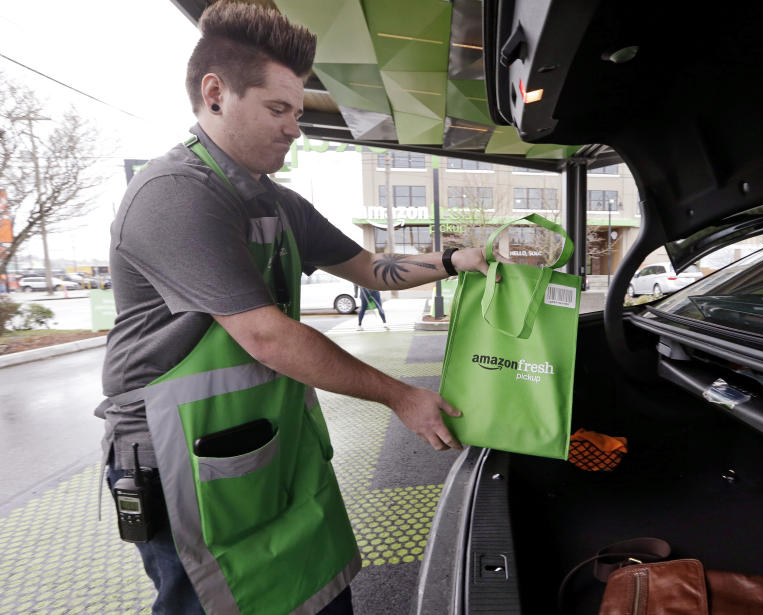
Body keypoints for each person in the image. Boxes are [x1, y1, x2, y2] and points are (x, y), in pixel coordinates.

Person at [94, 3, 490, 614]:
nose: (294, 128)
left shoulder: (281, 204)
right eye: (279, 109)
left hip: (261, 433)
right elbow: (266, 337)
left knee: (312, 583)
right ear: (216, 94)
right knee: (217, 598)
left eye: (298, 113)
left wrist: (459, 259)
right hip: (176, 451)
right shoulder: (175, 195)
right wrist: (402, 396)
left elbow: (371, 271)